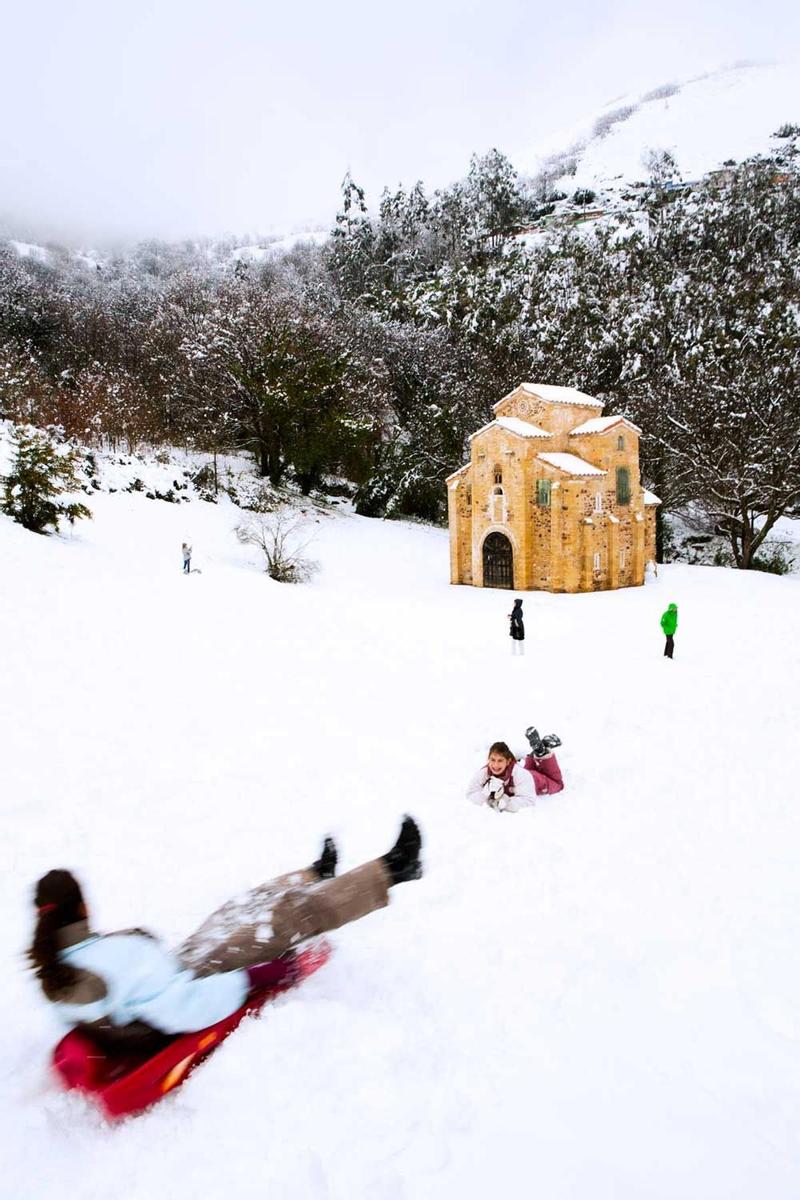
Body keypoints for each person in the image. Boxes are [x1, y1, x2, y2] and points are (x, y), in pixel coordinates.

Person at [29, 818, 422, 1051]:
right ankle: (395, 868)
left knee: (235, 908)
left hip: (179, 965)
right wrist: (257, 976)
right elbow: (176, 1007)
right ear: (81, 908)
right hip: (195, 980)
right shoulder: (93, 968)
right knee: (284, 918)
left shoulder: (59, 961)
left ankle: (314, 874)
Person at [466, 730, 563, 813]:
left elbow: (529, 800)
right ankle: (538, 750)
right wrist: (484, 794)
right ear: (488, 759)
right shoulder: (484, 772)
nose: (495, 765)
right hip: (525, 776)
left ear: (508, 761)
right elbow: (470, 794)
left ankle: (541, 752)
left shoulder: (520, 774)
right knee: (529, 771)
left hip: (535, 781)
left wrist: (506, 802)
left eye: (500, 761)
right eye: (492, 760)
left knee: (557, 783)